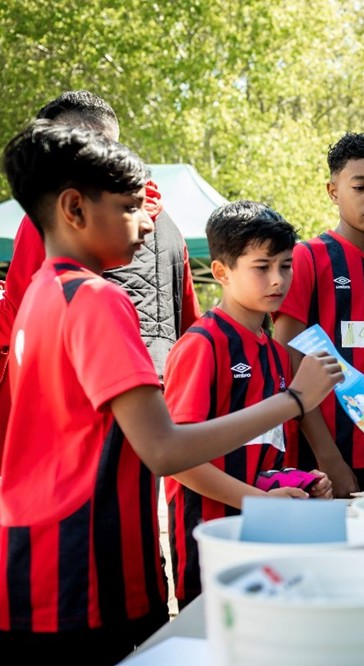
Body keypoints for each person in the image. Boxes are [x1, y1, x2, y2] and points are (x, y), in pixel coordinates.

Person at [0, 120, 340, 664]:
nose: (146, 223)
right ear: (74, 208)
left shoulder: (41, 293)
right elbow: (163, 449)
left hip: (35, 561)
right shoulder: (96, 300)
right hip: (87, 573)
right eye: (132, 206)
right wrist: (295, 400)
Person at [0, 90, 201, 463]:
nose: (141, 225)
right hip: (149, 411)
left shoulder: (47, 237)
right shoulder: (169, 227)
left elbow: (14, 325)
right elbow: (192, 332)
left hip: (82, 431)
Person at [163, 200, 334, 609]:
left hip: (267, 540)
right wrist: (258, 501)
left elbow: (269, 447)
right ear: (221, 272)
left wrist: (299, 482)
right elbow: (178, 458)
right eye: (262, 267)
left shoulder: (275, 352)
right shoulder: (201, 345)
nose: (278, 279)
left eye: (286, 265)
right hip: (212, 544)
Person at [274, 132, 364, 493]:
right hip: (319, 454)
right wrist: (329, 457)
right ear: (333, 191)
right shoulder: (306, 259)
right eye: (360, 186)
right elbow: (287, 360)